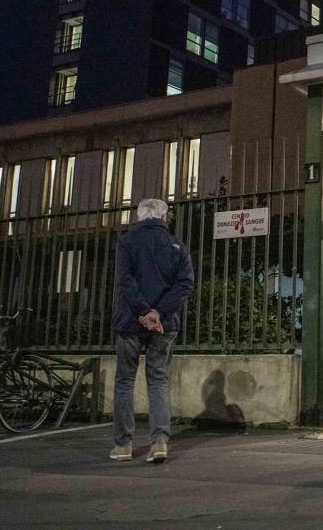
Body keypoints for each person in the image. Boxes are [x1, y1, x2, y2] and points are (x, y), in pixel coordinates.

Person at [110, 198, 194, 463]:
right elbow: (185, 284)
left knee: (124, 381)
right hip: (163, 325)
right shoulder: (177, 245)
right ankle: (159, 442)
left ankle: (123, 445)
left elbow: (125, 281)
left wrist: (143, 311)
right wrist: (157, 313)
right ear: (163, 216)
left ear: (139, 216)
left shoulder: (127, 242)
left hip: (130, 322)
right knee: (157, 380)